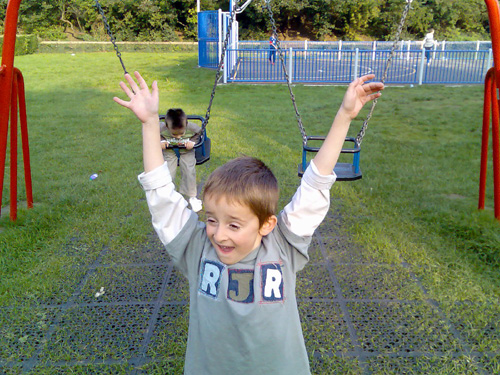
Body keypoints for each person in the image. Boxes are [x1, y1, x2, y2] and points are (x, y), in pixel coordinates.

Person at [113, 71, 383, 375]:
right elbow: (161, 194)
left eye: (234, 225)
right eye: (212, 219)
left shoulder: (282, 245)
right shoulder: (196, 247)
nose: (218, 234)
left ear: (266, 224)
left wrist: (346, 115)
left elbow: (315, 184)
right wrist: (150, 124)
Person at [160, 108, 203, 212]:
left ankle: (192, 197)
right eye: (174, 134)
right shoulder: (161, 128)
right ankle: (169, 197)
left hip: (186, 150)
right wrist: (161, 141)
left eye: (181, 133)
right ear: (167, 126)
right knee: (168, 172)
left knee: (189, 170)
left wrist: (193, 142)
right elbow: (154, 134)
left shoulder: (192, 127)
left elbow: (200, 134)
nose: (178, 137)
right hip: (169, 150)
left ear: (186, 124)